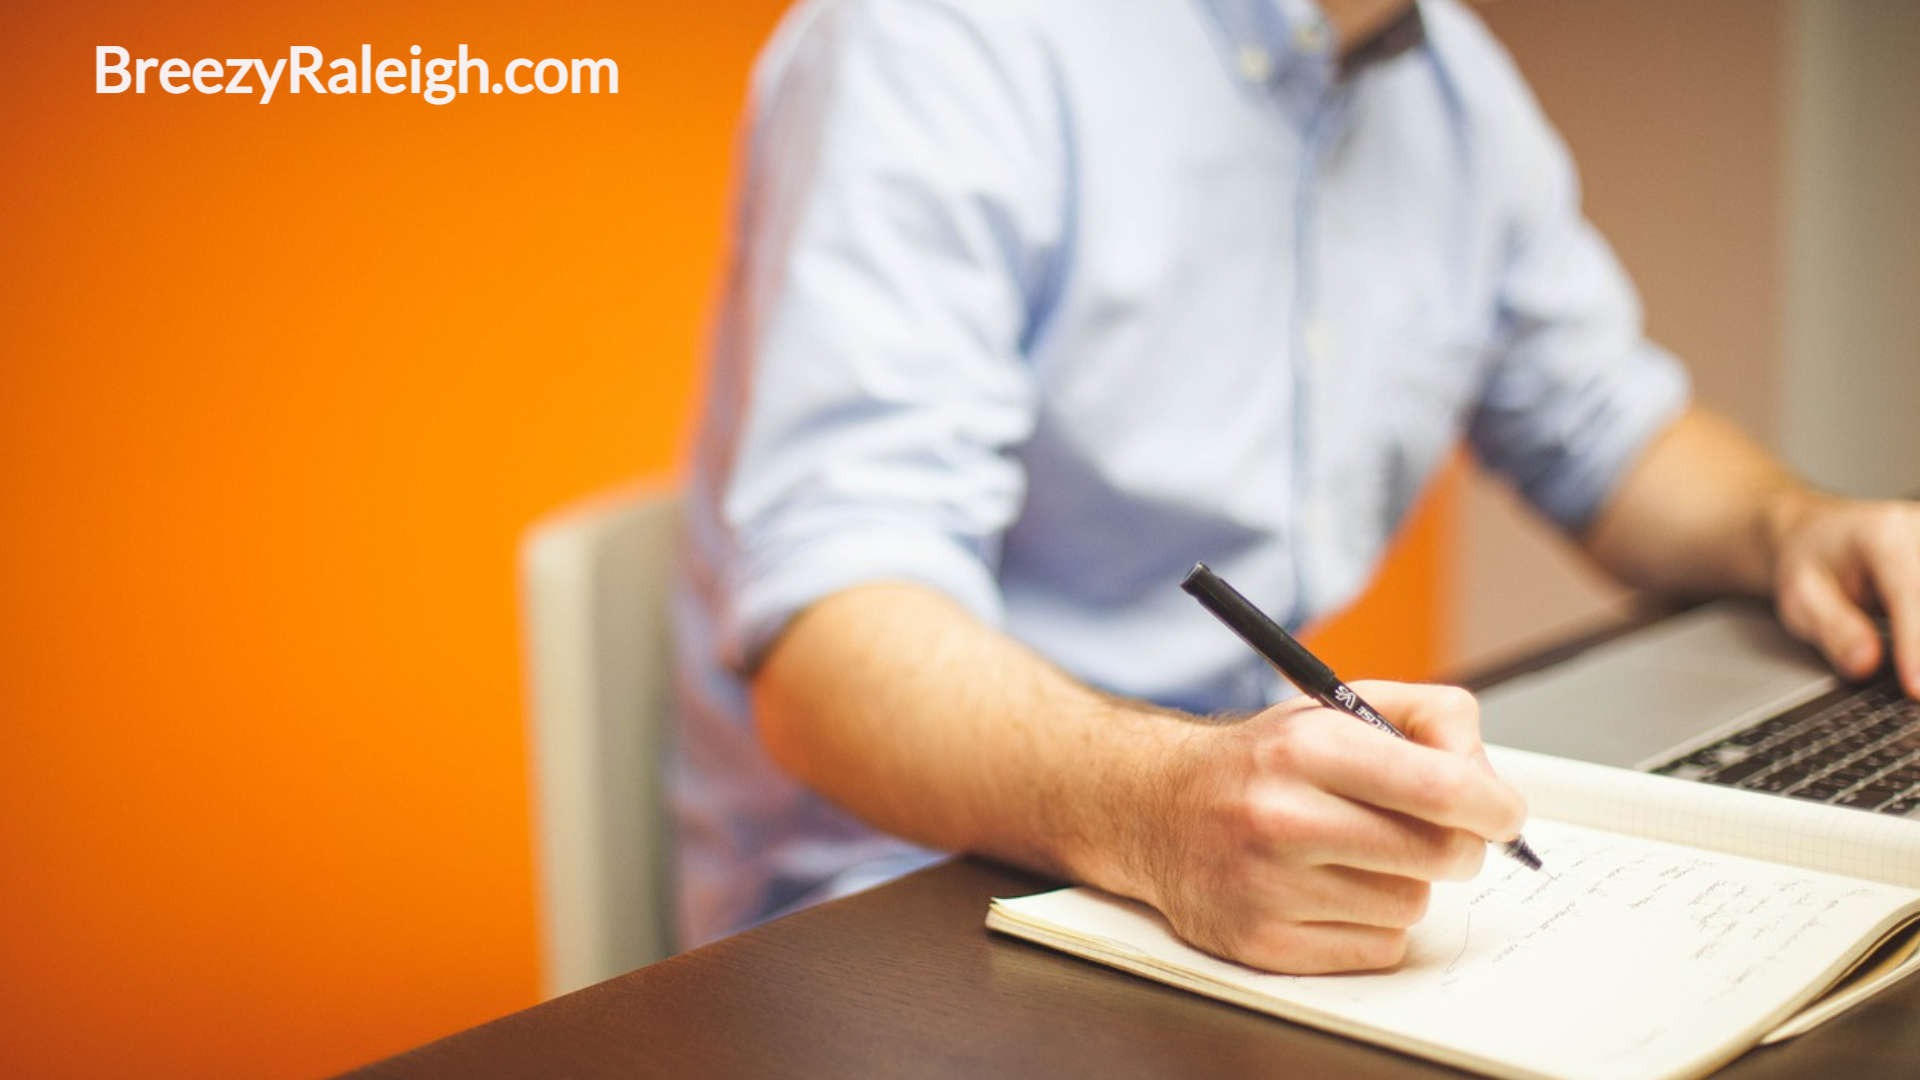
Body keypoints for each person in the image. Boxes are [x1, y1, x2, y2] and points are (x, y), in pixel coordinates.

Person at [669, 0, 1920, 971]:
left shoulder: (1454, 94)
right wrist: (1160, 811)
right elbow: (831, 647)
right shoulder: (945, 41)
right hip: (904, 903)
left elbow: (1601, 426)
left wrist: (1795, 527)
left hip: (1214, 842)